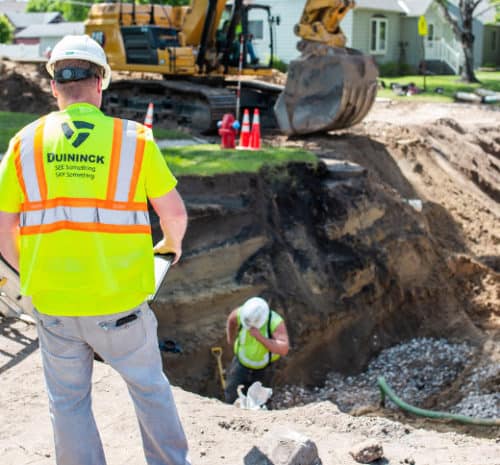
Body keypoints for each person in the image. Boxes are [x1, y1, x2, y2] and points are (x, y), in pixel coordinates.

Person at [0, 35, 191, 465]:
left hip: (52, 303)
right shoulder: (134, 140)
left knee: (67, 403)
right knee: (149, 389)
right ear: (101, 82)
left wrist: (30, 275)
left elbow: (3, 226)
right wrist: (170, 248)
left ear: (54, 87)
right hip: (120, 302)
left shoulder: (23, 143)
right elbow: (174, 216)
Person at [224, 296, 289, 404]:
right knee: (232, 393)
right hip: (241, 362)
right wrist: (230, 339)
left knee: (259, 400)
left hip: (263, 367)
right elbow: (231, 320)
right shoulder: (243, 313)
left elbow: (283, 348)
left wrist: (260, 338)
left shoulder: (274, 321)